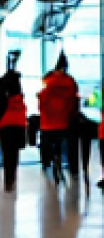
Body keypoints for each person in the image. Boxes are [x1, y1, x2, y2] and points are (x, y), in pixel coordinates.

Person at [0, 54, 27, 192]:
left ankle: (8, 180)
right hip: (18, 123)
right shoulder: (19, 91)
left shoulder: (3, 85)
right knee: (14, 153)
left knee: (7, 152)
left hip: (6, 123)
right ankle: (12, 177)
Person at [37, 54, 78, 183]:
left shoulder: (48, 80)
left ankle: (46, 162)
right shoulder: (70, 81)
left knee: (45, 139)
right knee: (71, 141)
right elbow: (74, 100)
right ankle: (72, 167)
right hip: (64, 122)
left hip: (48, 123)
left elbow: (41, 103)